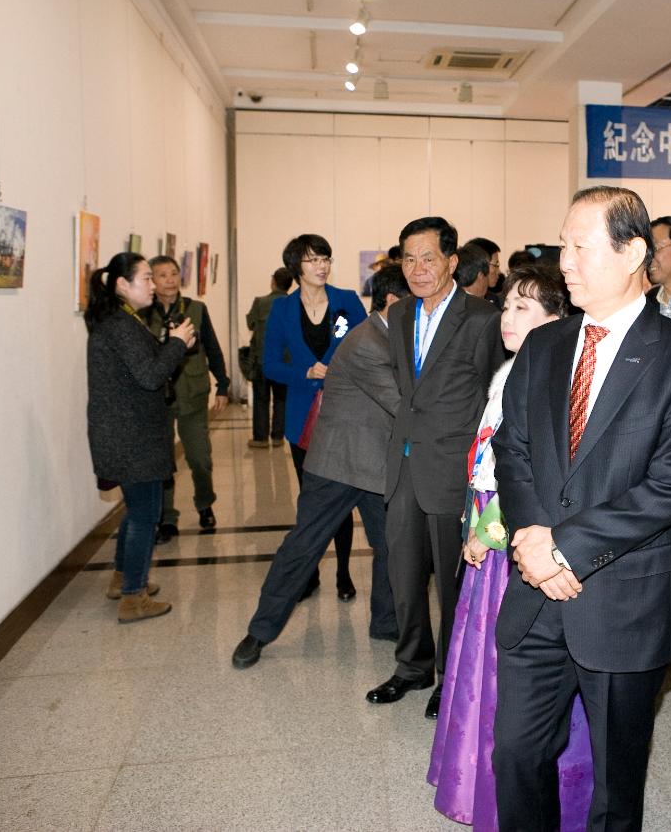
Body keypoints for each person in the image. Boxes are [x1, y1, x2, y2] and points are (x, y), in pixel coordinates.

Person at [492, 186, 671, 831]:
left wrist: (565, 547)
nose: (563, 260)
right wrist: (536, 542)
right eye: (562, 243)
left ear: (632, 253)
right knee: (515, 754)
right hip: (537, 592)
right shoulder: (544, 346)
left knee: (616, 785)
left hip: (622, 600)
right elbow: (513, 450)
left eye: (578, 246)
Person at [428, 264, 593, 830]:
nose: (508, 318)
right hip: (490, 535)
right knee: (483, 666)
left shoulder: (546, 374)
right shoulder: (510, 370)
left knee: (514, 675)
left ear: (555, 318)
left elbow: (530, 473)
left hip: (517, 543)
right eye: (506, 306)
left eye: (524, 308)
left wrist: (488, 529)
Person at [231, 266, 408, 667]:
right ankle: (259, 632)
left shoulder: (392, 335)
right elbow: (403, 404)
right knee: (303, 548)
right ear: (394, 302)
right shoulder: (367, 342)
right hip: (336, 466)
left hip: (375, 465)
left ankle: (385, 621)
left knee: (389, 548)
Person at [368, 217, 505, 718]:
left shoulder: (481, 317)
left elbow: (493, 396)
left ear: (452, 261)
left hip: (452, 467)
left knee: (452, 581)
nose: (417, 268)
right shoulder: (399, 314)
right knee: (402, 574)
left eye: (428, 258)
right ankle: (411, 666)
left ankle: (451, 675)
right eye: (408, 258)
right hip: (403, 464)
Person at [85, 252, 196, 622]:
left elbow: (142, 371)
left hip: (128, 433)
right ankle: (133, 596)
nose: (153, 285)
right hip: (130, 437)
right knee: (146, 513)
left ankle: (122, 579)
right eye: (146, 278)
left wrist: (171, 343)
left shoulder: (123, 320)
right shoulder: (120, 325)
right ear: (122, 285)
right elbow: (150, 376)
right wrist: (177, 343)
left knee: (136, 511)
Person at [261, 234, 367, 602]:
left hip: (344, 414)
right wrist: (305, 371)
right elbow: (269, 364)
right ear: (297, 267)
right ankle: (308, 572)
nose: (322, 266)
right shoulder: (282, 310)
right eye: (312, 260)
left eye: (325, 258)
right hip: (302, 417)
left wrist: (338, 368)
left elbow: (368, 347)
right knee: (310, 500)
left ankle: (342, 572)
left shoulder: (347, 302)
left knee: (340, 496)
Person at [142, 255, 229, 539]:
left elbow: (213, 350)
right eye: (161, 275)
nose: (169, 279)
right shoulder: (142, 314)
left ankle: (205, 504)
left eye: (173, 273)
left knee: (199, 457)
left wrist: (223, 386)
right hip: (157, 399)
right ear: (151, 281)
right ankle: (167, 517)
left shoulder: (196, 309)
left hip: (192, 394)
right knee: (163, 461)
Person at [246, 267, 294, 448]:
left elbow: (250, 324)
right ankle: (278, 437)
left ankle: (260, 438)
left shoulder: (260, 302)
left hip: (262, 359)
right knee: (281, 399)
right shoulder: (294, 303)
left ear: (273, 281)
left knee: (261, 399)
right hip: (285, 362)